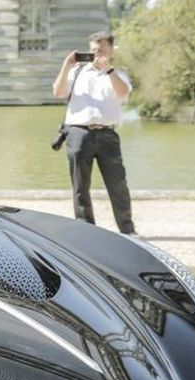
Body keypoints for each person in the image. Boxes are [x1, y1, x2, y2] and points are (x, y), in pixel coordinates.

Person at [52, 31, 136, 235]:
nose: (97, 53)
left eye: (101, 49)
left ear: (111, 51)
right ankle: (86, 228)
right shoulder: (77, 72)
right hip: (79, 132)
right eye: (93, 50)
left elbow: (123, 93)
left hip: (107, 134)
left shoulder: (118, 74)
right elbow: (58, 92)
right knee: (80, 186)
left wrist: (108, 70)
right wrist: (66, 66)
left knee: (118, 184)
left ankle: (127, 229)